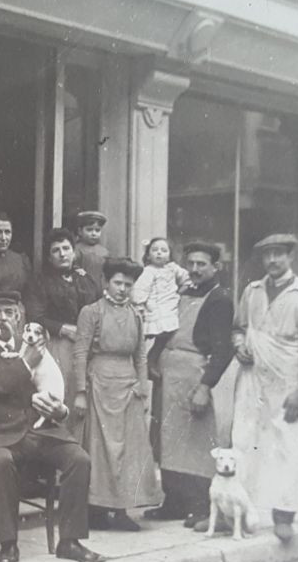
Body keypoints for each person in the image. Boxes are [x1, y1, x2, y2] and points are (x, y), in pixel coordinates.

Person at [0, 290, 104, 562]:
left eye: (9, 313)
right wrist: (25, 363)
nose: (2, 319)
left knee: (79, 459)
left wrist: (60, 411)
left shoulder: (35, 346)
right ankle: (9, 544)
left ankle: (70, 542)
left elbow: (50, 387)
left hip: (39, 431)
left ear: (18, 317)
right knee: (0, 462)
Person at [230, 233, 298, 543]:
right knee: (246, 438)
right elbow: (239, 326)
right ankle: (241, 510)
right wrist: (239, 345)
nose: (272, 260)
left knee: (288, 443)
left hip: (287, 378)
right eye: (267, 255)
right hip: (253, 375)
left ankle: (284, 514)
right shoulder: (253, 291)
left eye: (278, 254)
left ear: (290, 257)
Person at [143, 241, 236, 529]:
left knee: (195, 444)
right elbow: (164, 328)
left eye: (202, 264)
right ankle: (173, 502)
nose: (194, 270)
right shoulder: (181, 292)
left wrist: (205, 387)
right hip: (168, 376)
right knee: (166, 440)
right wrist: (153, 358)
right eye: (191, 264)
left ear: (215, 267)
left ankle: (199, 505)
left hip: (194, 376)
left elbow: (223, 349)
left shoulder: (219, 298)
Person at [72, 257, 161, 530]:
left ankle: (122, 510)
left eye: (128, 284)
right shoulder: (91, 311)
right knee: (100, 450)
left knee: (129, 451)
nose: (122, 289)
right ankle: (97, 509)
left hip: (129, 386)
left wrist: (142, 388)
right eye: (118, 283)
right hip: (99, 384)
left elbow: (141, 355)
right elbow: (80, 353)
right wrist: (80, 392)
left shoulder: (136, 314)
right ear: (105, 283)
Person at [23, 227, 102, 425]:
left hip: (87, 346)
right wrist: (64, 329)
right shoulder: (40, 281)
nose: (62, 253)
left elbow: (99, 307)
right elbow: (36, 316)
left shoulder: (86, 280)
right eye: (55, 250)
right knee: (63, 394)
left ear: (74, 252)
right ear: (49, 258)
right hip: (58, 345)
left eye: (66, 248)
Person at [131, 237, 190, 371]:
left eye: (163, 250)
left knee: (165, 335)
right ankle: (138, 359)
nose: (159, 253)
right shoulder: (148, 271)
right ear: (148, 255)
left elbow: (187, 279)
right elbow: (141, 289)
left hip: (169, 305)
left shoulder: (173, 268)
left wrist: (180, 293)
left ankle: (152, 358)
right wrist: (140, 305)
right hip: (154, 305)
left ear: (169, 255)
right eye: (154, 250)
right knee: (143, 335)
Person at [71, 211, 110, 279]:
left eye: (97, 230)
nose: (94, 233)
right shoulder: (77, 249)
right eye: (89, 230)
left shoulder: (104, 252)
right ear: (80, 231)